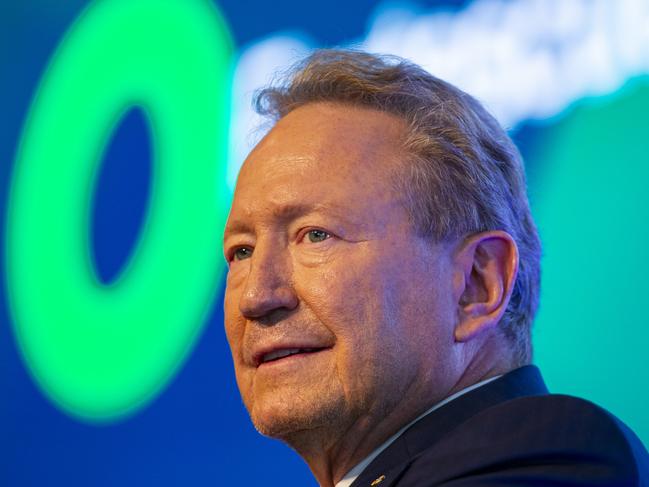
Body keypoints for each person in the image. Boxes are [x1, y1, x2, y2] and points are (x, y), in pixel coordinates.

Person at [222, 49, 649, 487]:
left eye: (315, 235)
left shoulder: (550, 461)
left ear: (475, 286)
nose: (257, 296)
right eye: (242, 251)